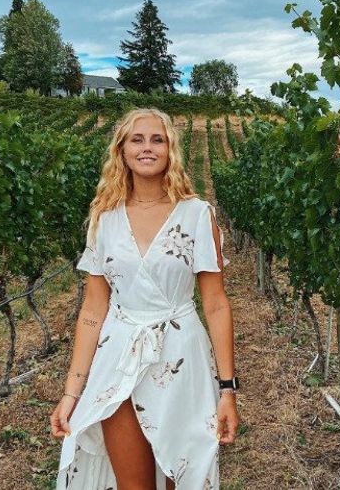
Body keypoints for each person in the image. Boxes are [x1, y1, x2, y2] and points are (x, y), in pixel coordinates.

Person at [49, 108, 240, 489]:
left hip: (181, 358)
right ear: (121, 150)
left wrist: (227, 390)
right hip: (119, 357)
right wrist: (72, 392)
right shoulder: (104, 218)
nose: (147, 147)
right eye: (137, 139)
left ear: (171, 150)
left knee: (183, 478)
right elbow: (92, 310)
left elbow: (216, 304)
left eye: (158, 139)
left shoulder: (198, 215)